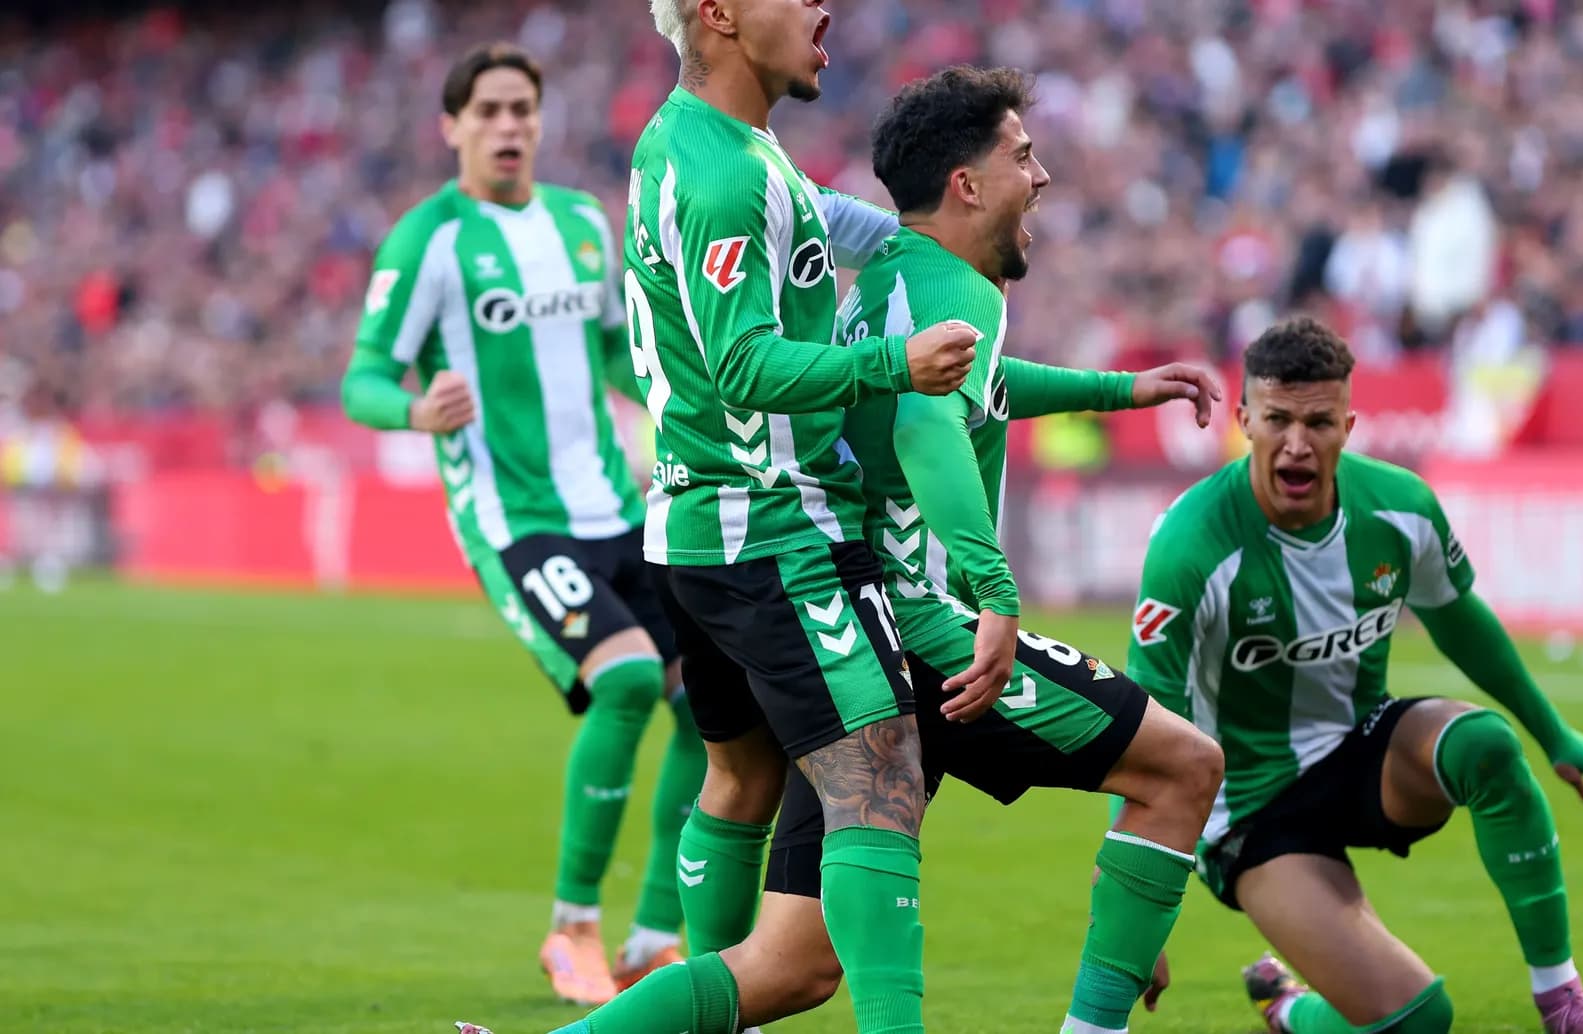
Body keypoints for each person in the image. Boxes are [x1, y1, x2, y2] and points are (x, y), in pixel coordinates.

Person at [453, 62, 1228, 1034]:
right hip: (921, 623)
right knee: (1184, 766)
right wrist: (992, 585)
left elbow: (971, 388)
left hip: (806, 590)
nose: (1043, 177)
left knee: (789, 965)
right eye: (1024, 156)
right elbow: (924, 424)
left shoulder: (887, 277)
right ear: (967, 184)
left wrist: (1118, 390)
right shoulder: (951, 289)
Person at [599, 0, 985, 1031]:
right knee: (881, 776)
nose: (824, 7)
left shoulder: (691, 142)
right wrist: (888, 360)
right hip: (778, 531)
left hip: (696, 528)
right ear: (720, 13)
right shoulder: (729, 173)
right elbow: (740, 362)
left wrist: (935, 246)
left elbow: (824, 228)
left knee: (738, 777)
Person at [1127, 317, 1583, 1034]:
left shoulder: (1401, 509)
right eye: (1277, 420)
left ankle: (1564, 1003)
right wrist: (1139, 907)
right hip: (1248, 813)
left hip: (1361, 753)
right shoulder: (1191, 546)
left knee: (1487, 746)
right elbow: (1146, 733)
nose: (1297, 444)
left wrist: (1555, 734)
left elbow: (1461, 621)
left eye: (1318, 422)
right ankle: (1290, 1009)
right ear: (1245, 420)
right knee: (1418, 1020)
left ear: (1350, 423)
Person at [340, 43, 709, 1006]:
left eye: (523, 110)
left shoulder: (585, 226)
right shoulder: (428, 241)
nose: (509, 127)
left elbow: (614, 354)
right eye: (490, 111)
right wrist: (414, 409)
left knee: (712, 707)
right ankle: (571, 929)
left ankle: (654, 937)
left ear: (541, 122)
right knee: (629, 678)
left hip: (620, 510)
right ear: (452, 127)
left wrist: (680, 405)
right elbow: (364, 376)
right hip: (515, 522)